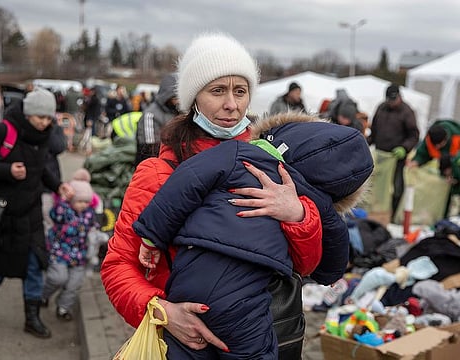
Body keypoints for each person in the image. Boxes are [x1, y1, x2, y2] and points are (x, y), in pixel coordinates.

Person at [101, 32, 353, 359]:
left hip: (262, 335)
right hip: (180, 345)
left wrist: (297, 216)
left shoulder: (273, 164)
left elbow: (308, 265)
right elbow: (119, 265)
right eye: (217, 91)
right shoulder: (159, 173)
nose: (231, 105)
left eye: (240, 91)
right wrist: (162, 312)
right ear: (192, 98)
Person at [135, 113, 373, 358]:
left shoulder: (236, 152)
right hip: (243, 295)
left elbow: (185, 183)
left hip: (189, 274)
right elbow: (331, 268)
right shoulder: (318, 203)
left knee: (183, 352)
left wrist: (152, 237)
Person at [0, 88, 74, 337]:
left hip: (30, 213)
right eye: (39, 117)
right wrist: (7, 171)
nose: (44, 123)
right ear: (28, 113)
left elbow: (40, 167)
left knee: (35, 265)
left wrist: (57, 186)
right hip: (4, 213)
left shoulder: (42, 136)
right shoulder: (3, 131)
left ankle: (31, 318)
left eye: (48, 118)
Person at [42, 178, 97, 321]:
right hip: (60, 251)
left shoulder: (89, 213)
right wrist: (62, 200)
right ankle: (43, 295)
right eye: (80, 201)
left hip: (79, 255)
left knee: (74, 284)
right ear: (72, 200)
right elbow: (55, 215)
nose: (83, 205)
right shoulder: (64, 210)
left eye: (86, 202)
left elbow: (93, 227)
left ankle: (63, 307)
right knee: (58, 278)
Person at [368, 84, 419, 220]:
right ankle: (376, 212)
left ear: (399, 97)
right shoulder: (381, 108)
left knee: (396, 188)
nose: (391, 103)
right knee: (376, 186)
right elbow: (374, 130)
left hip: (396, 158)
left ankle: (392, 215)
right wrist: (367, 142)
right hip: (380, 156)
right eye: (389, 100)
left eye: (394, 100)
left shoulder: (407, 112)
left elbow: (414, 135)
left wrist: (405, 148)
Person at [407, 119, 460, 215]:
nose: (437, 147)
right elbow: (423, 153)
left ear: (446, 138)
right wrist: (416, 161)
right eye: (435, 145)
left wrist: (455, 174)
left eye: (440, 144)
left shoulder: (457, 136)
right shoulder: (430, 139)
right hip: (446, 174)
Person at [135, 73, 179, 166]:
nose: (178, 101)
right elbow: (149, 149)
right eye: (174, 97)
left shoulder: (179, 111)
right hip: (155, 165)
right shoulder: (150, 115)